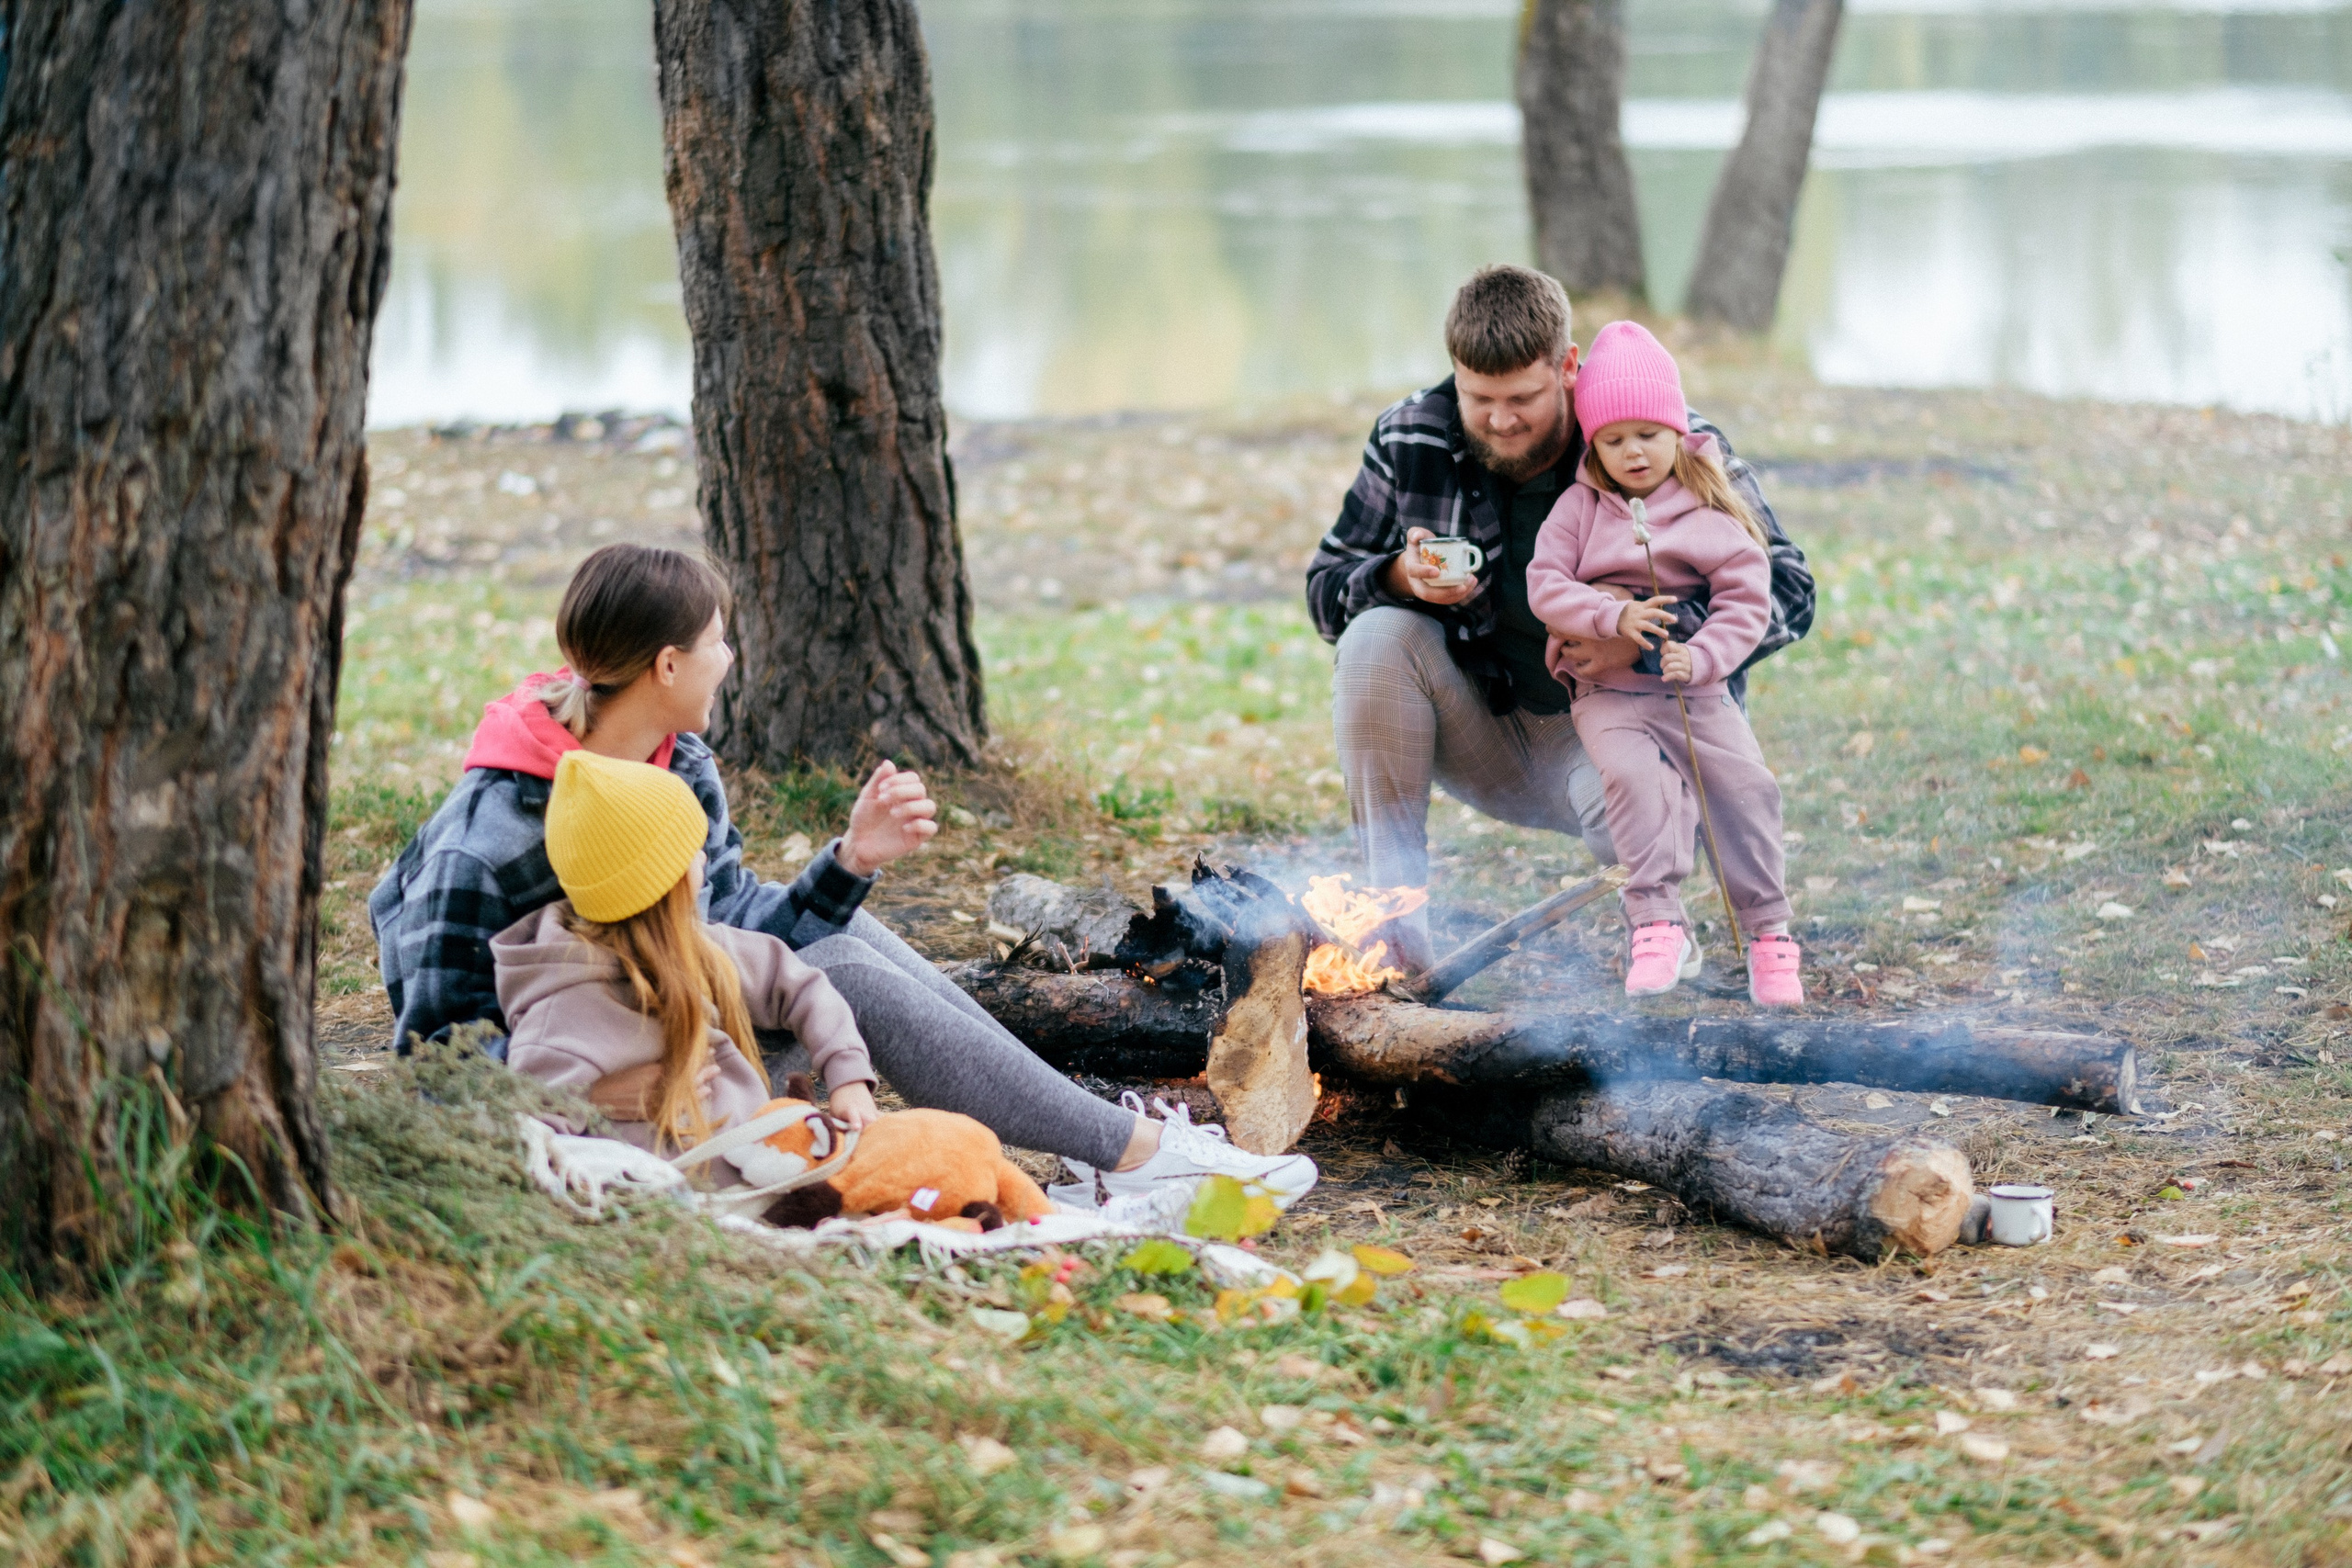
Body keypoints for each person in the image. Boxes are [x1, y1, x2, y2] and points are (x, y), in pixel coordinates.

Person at [370, 542, 1316, 1212]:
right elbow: (438, 1056)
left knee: (848, 938)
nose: (730, 660)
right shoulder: (486, 838)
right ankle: (1131, 1151)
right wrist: (604, 1131)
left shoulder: (676, 761)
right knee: (845, 974)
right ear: (668, 663)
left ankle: (1105, 1145)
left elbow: (743, 926)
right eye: (717, 642)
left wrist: (851, 860)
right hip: (610, 1102)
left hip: (684, 1037)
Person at [1303, 265, 1813, 973]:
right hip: (1484, 728)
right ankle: (1394, 942)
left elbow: (1789, 588)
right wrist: (1397, 576)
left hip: (1619, 730)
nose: (1500, 419)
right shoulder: (1410, 435)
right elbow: (1324, 590)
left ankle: (1662, 919)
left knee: (1641, 811)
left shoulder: (1659, 440)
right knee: (1374, 638)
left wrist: (1639, 644)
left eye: (1522, 398)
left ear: (1568, 368)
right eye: (1478, 397)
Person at [493, 750, 1201, 1225]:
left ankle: (1098, 1165)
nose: (705, 872)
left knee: (856, 961)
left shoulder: (694, 944)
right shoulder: (566, 1013)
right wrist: (590, 1102)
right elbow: (529, 1147)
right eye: (694, 860)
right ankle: (1104, 1198)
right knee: (936, 1145)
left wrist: (850, 1078)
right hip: (733, 1193)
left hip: (771, 1149)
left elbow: (793, 976)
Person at [1525, 321, 1802, 1004]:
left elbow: (1749, 597)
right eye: (1613, 440)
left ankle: (1768, 933)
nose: (1633, 452)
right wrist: (1610, 615)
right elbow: (1545, 584)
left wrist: (1704, 655)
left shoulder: (1709, 509)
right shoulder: (1578, 509)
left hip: (1696, 691)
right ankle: (1656, 922)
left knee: (1745, 791)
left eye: (1647, 433)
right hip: (1606, 693)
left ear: (1677, 428)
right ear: (1594, 443)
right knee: (1633, 782)